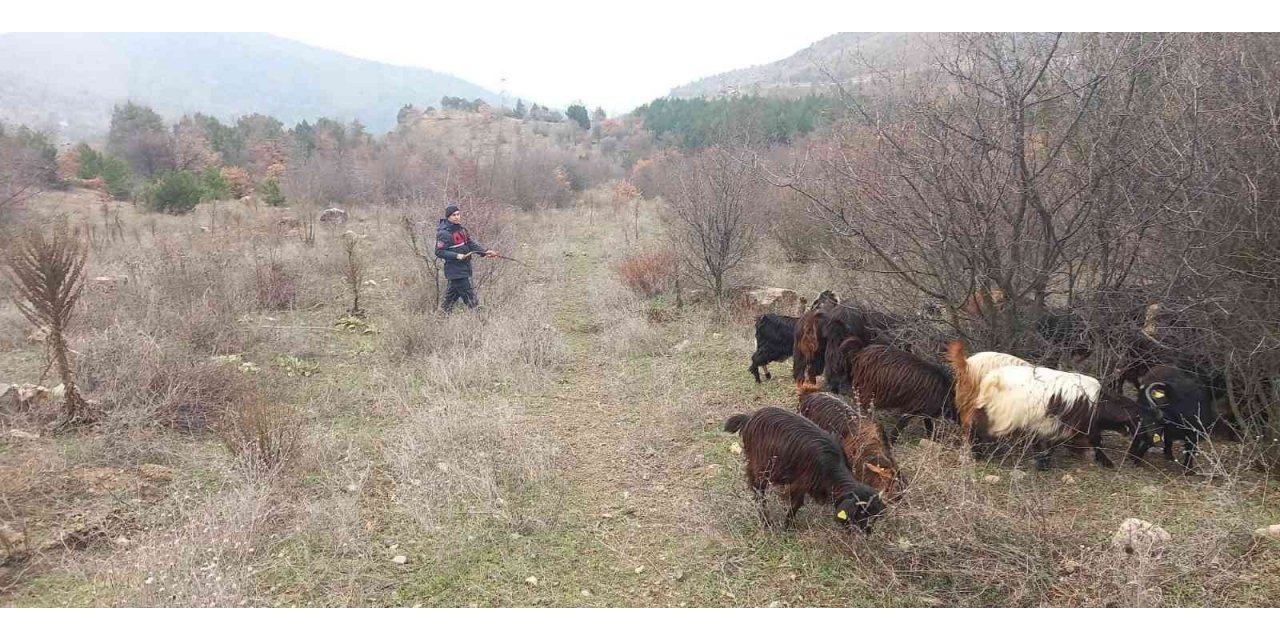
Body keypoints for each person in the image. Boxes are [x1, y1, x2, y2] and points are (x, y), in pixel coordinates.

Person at [434, 203, 497, 311]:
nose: (456, 217)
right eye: (454, 215)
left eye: (458, 214)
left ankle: (440, 317)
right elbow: (439, 252)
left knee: (449, 301)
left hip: (464, 268)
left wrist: (485, 252)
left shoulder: (462, 229)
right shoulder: (444, 233)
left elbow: (470, 244)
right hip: (455, 270)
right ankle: (481, 318)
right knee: (470, 298)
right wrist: (457, 256)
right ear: (448, 217)